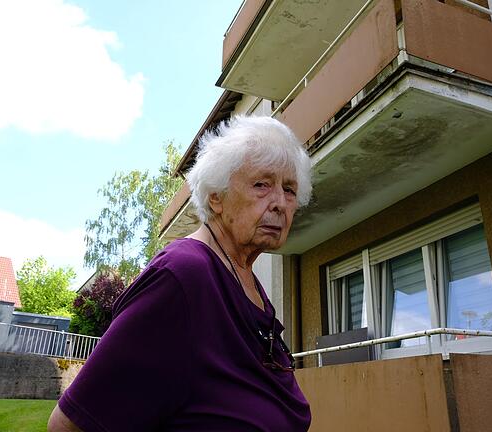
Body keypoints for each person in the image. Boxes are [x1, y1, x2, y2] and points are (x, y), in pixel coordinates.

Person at [48, 116, 313, 431]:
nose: (280, 203)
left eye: (289, 190)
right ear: (216, 197)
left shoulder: (248, 284)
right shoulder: (183, 276)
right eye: (261, 185)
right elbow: (71, 425)